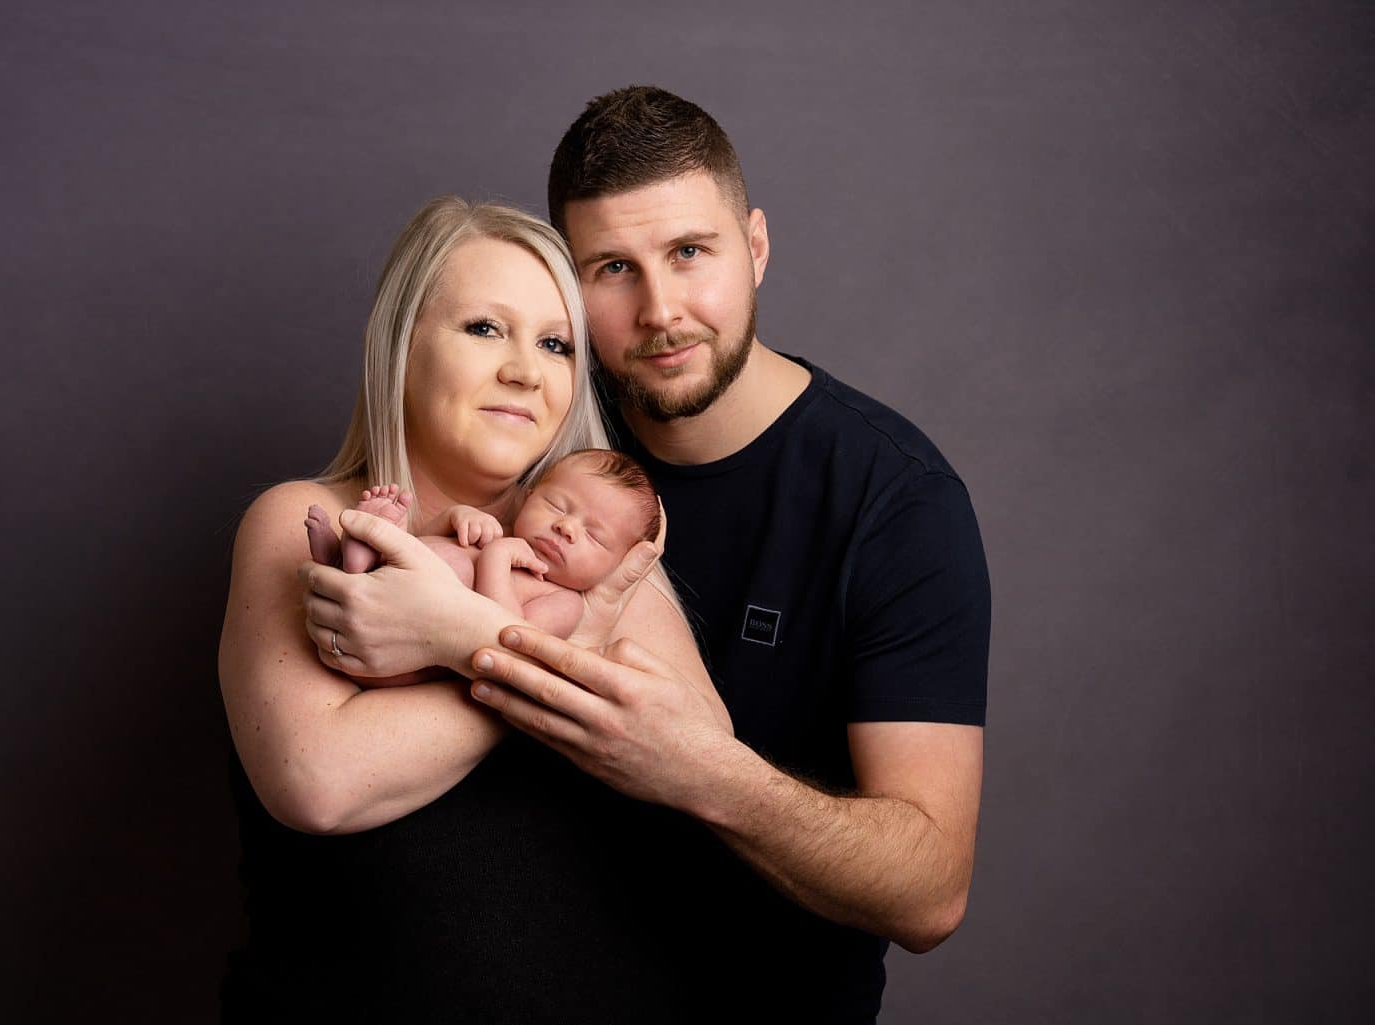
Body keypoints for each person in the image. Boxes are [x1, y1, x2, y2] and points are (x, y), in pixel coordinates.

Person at [311, 86, 991, 1023]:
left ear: (754, 245)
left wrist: (703, 769)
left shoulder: (895, 500)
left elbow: (929, 892)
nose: (661, 309)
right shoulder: (530, 420)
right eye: (611, 269)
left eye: (689, 253)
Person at [218, 196, 728, 1022]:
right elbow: (321, 782)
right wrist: (573, 642)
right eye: (485, 329)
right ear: (402, 341)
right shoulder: (295, 518)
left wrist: (458, 635)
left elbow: (703, 763)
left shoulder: (588, 545)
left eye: (556, 343)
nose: (527, 370)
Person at [303, 447, 663, 647]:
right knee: (416, 546)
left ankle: (356, 558)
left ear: (616, 566)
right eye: (556, 506)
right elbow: (433, 538)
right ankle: (353, 556)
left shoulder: (564, 603)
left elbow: (506, 638)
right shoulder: (503, 530)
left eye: (594, 537)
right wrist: (456, 517)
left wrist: (496, 558)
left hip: (404, 645)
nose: (565, 527)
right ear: (530, 496)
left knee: (432, 567)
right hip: (385, 590)